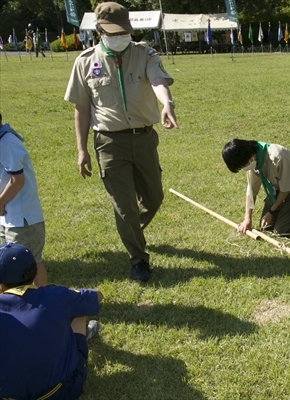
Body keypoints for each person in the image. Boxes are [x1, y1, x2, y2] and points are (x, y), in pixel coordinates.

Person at [64, 2, 178, 282]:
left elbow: (158, 80)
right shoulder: (85, 62)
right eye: (112, 32)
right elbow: (81, 108)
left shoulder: (145, 54)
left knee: (154, 198)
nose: (119, 36)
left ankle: (131, 231)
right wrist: (81, 150)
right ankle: (138, 259)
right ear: (99, 29)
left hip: (144, 139)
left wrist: (167, 103)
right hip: (108, 143)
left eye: (123, 31)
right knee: (125, 206)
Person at [0, 243, 103, 399]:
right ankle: (82, 337)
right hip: (58, 394)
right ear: (35, 273)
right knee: (78, 312)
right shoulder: (55, 296)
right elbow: (97, 296)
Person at [0, 113, 47, 287]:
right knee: (9, 264)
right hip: (10, 217)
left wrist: (0, 202)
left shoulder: (7, 143)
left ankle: (41, 303)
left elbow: (17, 180)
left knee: (29, 263)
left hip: (23, 220)